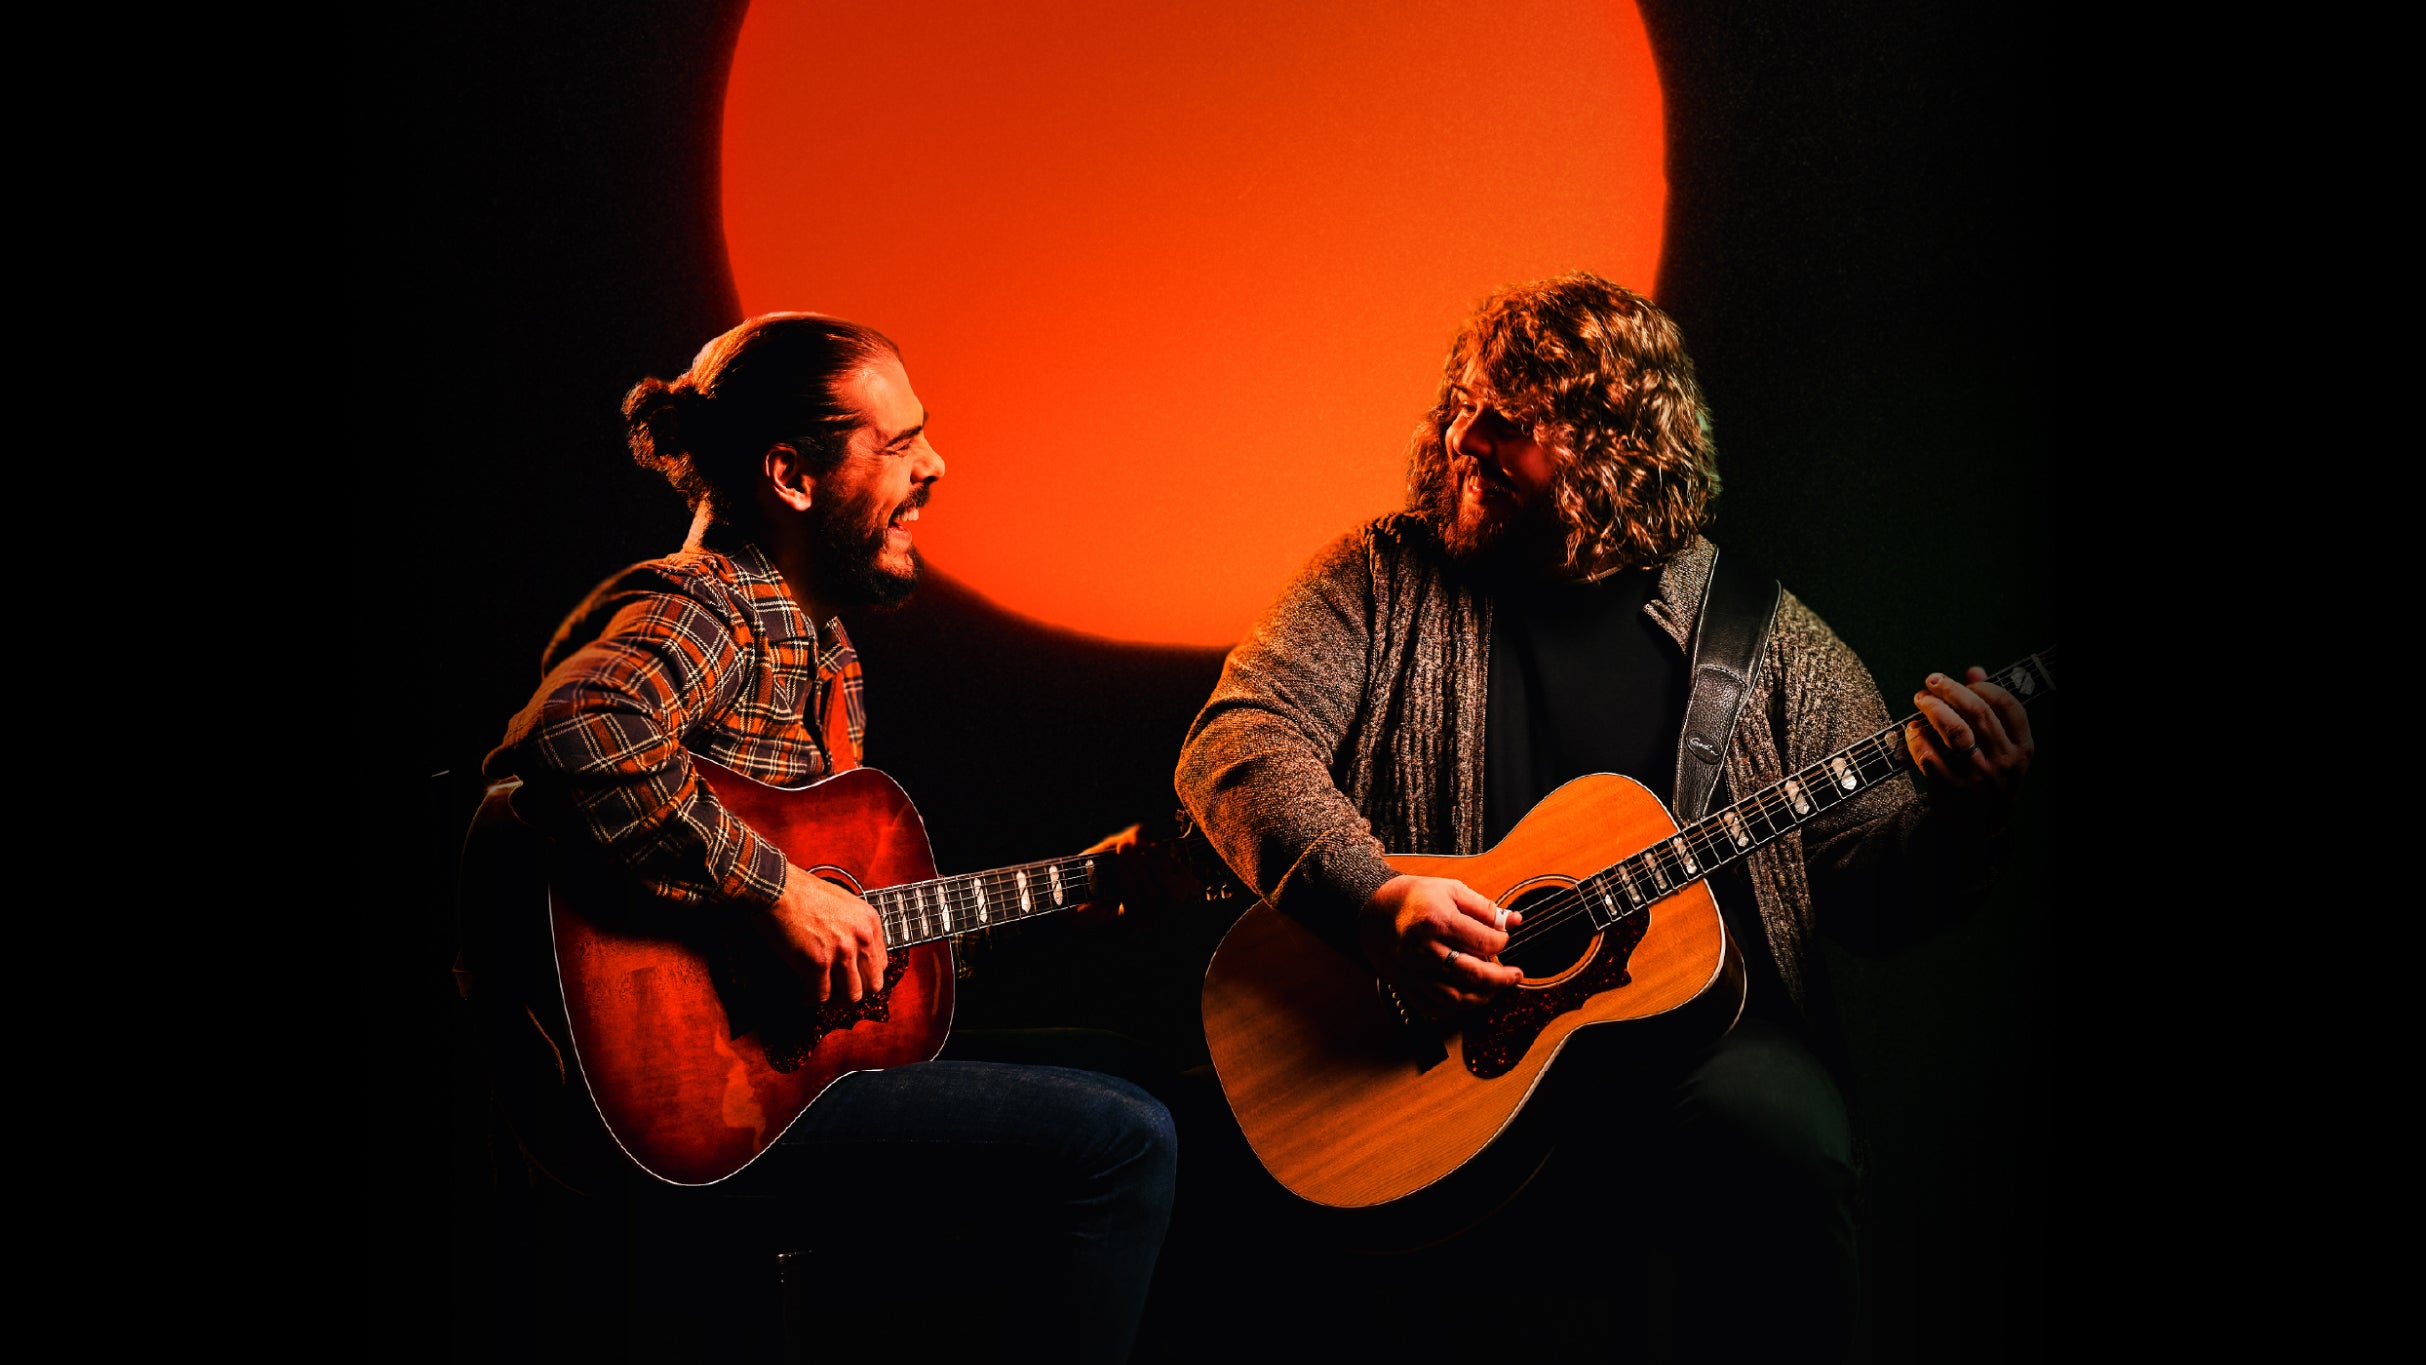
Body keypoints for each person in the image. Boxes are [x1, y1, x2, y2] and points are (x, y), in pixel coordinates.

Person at [1171, 273, 2032, 1358]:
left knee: (1785, 1143)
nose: (1462, 437)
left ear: (1611, 445)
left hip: (1702, 1052)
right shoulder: (1380, 577)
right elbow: (1235, 740)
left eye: (1510, 421)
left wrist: (1965, 819)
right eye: (1462, 402)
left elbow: (1870, 895)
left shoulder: (1769, 644)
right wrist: (1368, 900)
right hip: (1428, 1056)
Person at [481, 313, 1176, 1362]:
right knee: (1123, 1140)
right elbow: (576, 731)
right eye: (897, 446)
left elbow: (856, 937)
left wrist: (1080, 889)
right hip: (688, 1112)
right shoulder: (709, 603)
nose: (934, 466)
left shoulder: (827, 653)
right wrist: (774, 893)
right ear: (791, 477)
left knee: (1137, 1068)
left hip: (775, 1075)